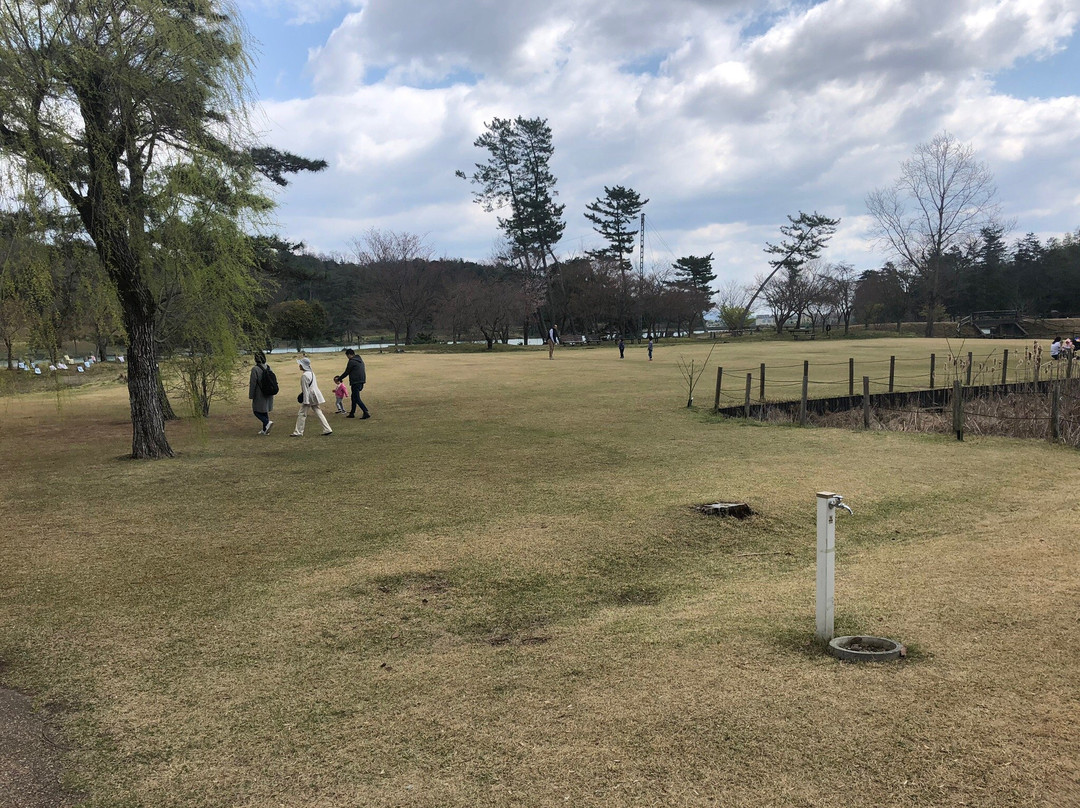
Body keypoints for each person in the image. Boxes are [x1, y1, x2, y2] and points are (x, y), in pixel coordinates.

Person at [290, 357, 333, 437]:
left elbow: (305, 390)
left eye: (300, 364)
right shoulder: (312, 373)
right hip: (315, 395)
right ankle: (327, 429)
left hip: (309, 396)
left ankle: (298, 432)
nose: (299, 365)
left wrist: (305, 401)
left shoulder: (304, 376)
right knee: (318, 411)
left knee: (302, 413)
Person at [337, 348, 370, 419]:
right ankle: (352, 413)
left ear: (349, 354)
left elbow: (347, 372)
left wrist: (340, 378)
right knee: (353, 397)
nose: (347, 357)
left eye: (347, 356)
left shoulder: (352, 361)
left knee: (356, 398)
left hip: (356, 382)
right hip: (361, 380)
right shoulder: (360, 360)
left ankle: (365, 411)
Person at [248, 350, 275, 435]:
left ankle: (267, 422)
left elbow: (253, 383)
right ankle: (265, 430)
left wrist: (251, 395)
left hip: (260, 393)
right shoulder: (268, 367)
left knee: (256, 411)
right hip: (269, 392)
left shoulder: (255, 369)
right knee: (264, 410)